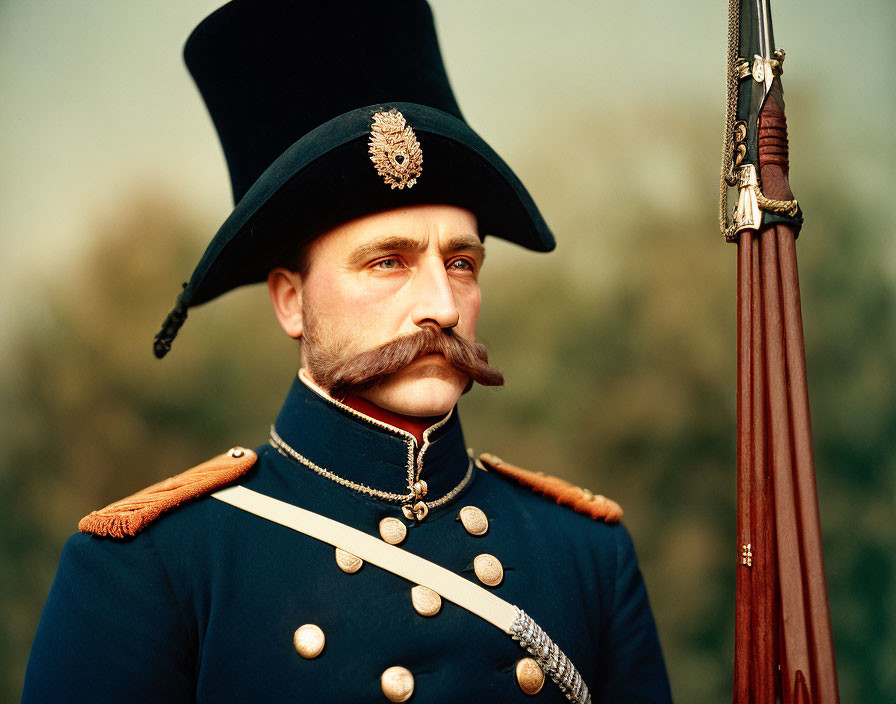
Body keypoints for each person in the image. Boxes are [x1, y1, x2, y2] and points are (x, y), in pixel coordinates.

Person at [23, 2, 672, 702]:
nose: (443, 306)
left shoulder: (587, 556)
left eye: (461, 263)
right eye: (387, 262)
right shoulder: (150, 569)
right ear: (290, 302)